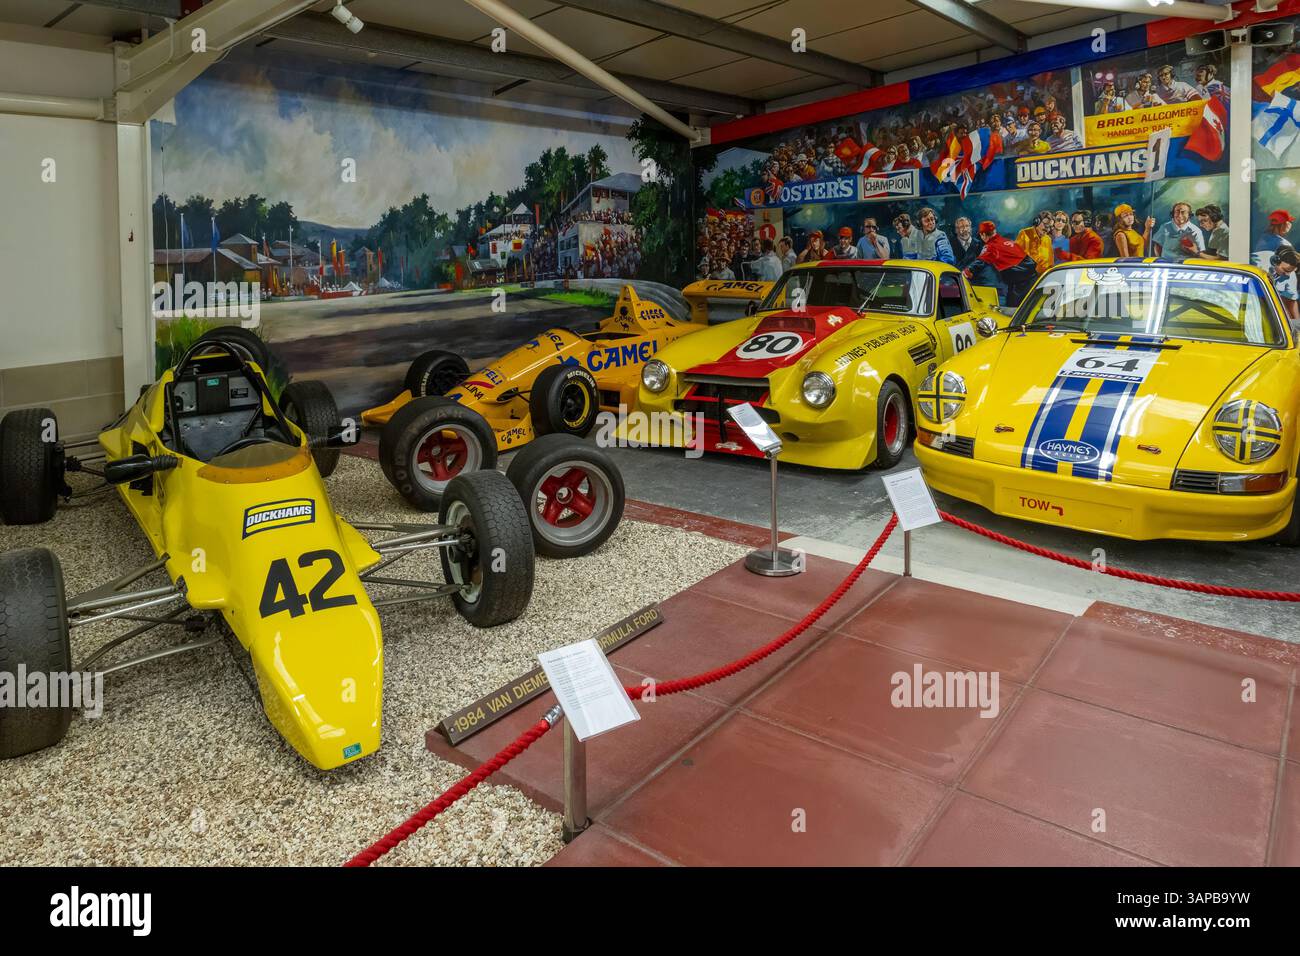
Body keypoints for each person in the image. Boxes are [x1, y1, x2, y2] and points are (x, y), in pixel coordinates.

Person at [967, 221, 1038, 305]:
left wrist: (966, 273)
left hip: (1020, 282)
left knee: (1013, 309)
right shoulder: (1007, 241)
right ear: (995, 231)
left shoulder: (990, 246)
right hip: (1033, 276)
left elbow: (980, 262)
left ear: (983, 235)